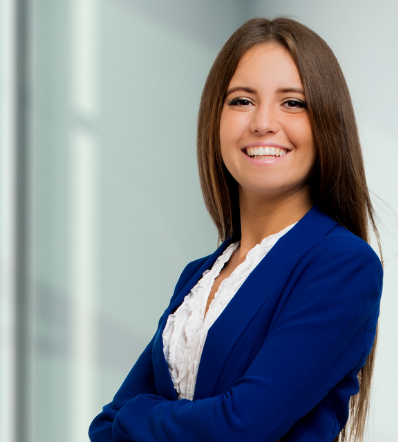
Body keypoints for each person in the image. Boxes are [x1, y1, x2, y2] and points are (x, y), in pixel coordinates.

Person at [89, 17, 383, 442]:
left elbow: (241, 426)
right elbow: (103, 427)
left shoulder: (343, 265)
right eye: (242, 101)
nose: (263, 122)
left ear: (327, 123)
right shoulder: (198, 277)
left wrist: (136, 414)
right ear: (216, 118)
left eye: (293, 102)